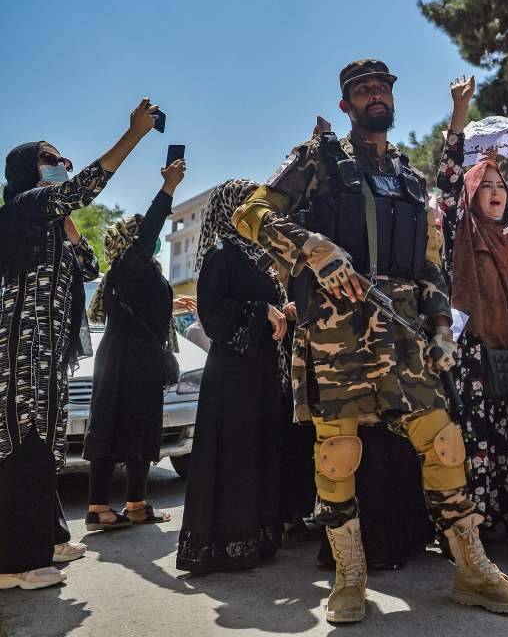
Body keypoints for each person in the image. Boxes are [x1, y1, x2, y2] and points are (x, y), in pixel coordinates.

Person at [230, 59, 508, 623]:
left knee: (444, 444)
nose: (375, 96)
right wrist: (313, 250)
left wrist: (442, 327)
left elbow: (432, 264)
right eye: (363, 90)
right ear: (346, 104)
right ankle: (349, 577)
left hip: (403, 331)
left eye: (382, 88)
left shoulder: (412, 179)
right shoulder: (316, 158)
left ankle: (472, 569)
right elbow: (251, 214)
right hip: (334, 330)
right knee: (338, 452)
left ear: (392, 102)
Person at [0, 100, 156, 590]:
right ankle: (15, 563)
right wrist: (132, 136)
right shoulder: (22, 208)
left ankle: (47, 538)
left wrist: (68, 221)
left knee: (44, 447)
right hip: (21, 353)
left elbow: (89, 270)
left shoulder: (48, 222)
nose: (60, 165)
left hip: (49, 352)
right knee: (25, 448)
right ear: (28, 169)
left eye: (63, 160)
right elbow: (90, 184)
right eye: (51, 158)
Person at [436, 76, 508, 538]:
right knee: (468, 440)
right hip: (468, 357)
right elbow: (447, 182)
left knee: (500, 442)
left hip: (499, 358)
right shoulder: (460, 230)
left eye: (502, 186)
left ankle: (496, 524)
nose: (497, 192)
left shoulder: (504, 241)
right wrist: (459, 116)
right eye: (487, 186)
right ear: (472, 193)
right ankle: (463, 530)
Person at [175, 179, 292, 572]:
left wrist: (282, 311)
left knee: (260, 449)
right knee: (237, 454)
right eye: (249, 203)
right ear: (231, 209)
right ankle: (227, 543)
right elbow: (212, 312)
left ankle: (258, 537)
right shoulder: (222, 253)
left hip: (260, 371)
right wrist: (261, 310)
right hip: (234, 376)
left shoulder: (258, 254)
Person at [83, 158, 193, 531]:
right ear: (133, 241)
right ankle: (127, 505)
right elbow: (148, 232)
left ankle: (112, 506)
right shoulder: (135, 260)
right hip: (136, 361)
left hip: (116, 357)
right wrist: (168, 188)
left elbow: (136, 310)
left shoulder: (125, 271)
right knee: (139, 427)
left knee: (108, 426)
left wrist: (171, 306)